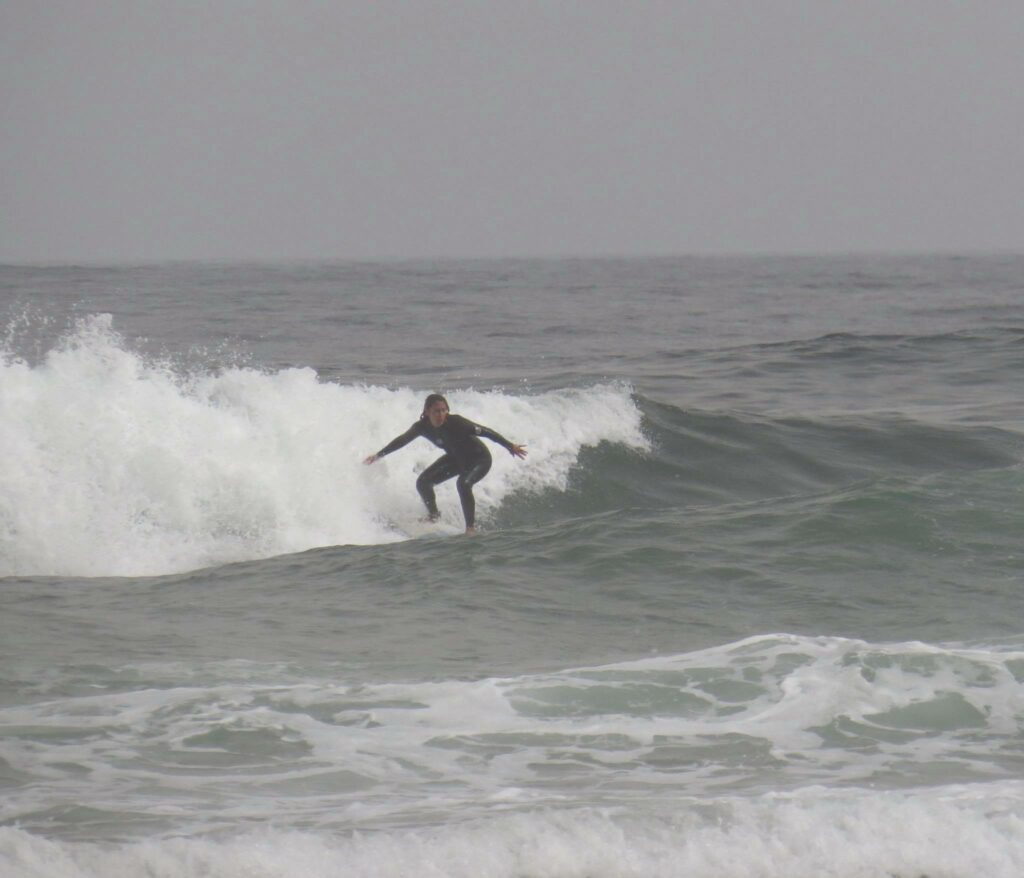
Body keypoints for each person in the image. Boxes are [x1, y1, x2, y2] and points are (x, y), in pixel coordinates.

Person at [364, 393, 527, 534]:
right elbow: (402, 440)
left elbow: (486, 432)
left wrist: (509, 446)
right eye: (436, 411)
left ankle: (470, 528)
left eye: (444, 410)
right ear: (427, 412)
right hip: (456, 459)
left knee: (463, 484)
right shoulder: (422, 427)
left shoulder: (458, 422)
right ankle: (434, 516)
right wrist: (379, 455)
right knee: (423, 482)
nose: (441, 414)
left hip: (480, 459)